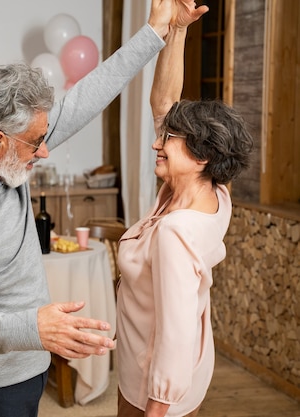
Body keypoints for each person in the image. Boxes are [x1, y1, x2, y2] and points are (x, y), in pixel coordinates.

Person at [0, 2, 206, 416]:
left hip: (29, 365)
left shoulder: (11, 151)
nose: (45, 150)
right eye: (37, 142)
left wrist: (156, 30)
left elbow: (89, 95)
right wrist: (34, 327)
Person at [115, 5, 254, 417]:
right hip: (174, 373)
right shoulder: (212, 192)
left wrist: (157, 410)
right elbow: (165, 102)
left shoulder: (176, 232)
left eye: (169, 139)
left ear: (201, 157)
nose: (158, 143)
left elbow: (175, 337)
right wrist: (177, 31)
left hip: (152, 386)